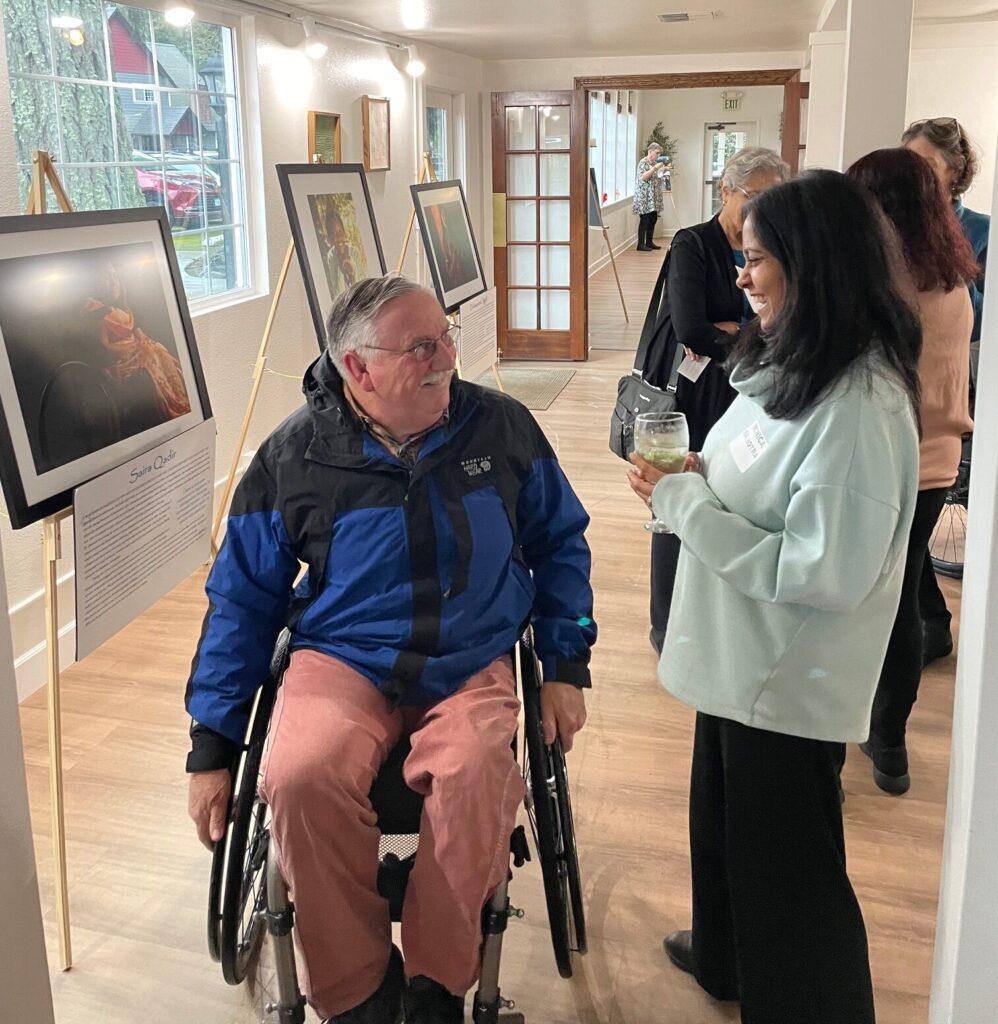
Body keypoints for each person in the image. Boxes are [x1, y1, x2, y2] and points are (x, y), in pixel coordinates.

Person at [185, 277, 596, 1024]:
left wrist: (566, 668)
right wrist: (212, 746)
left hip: (470, 656)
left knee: (477, 773)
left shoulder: (499, 428)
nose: (447, 356)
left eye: (445, 335)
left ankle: (437, 981)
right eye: (421, 346)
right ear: (357, 368)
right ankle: (359, 991)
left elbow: (560, 542)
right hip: (344, 659)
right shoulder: (293, 457)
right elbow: (241, 603)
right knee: (300, 773)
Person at [628, 170, 921, 1024]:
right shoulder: (799, 360)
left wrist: (686, 505)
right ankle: (724, 954)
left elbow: (822, 572)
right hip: (739, 660)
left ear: (814, 263)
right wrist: (700, 474)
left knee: (792, 882)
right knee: (723, 831)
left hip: (786, 683)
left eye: (756, 259)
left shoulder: (861, 404)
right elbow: (759, 473)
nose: (741, 276)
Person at [847, 148, 978, 795]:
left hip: (887, 462)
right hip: (937, 462)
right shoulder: (952, 278)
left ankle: (866, 728)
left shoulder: (887, 286)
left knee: (867, 600)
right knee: (900, 595)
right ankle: (890, 744)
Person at [638, 146, 789, 652]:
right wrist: (754, 334)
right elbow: (692, 329)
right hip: (700, 392)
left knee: (730, 494)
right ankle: (666, 624)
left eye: (774, 197)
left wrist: (737, 329)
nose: (762, 207)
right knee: (678, 493)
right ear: (725, 191)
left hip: (751, 392)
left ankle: (712, 614)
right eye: (756, 196)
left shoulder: (774, 244)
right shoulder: (694, 245)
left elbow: (777, 321)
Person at [902, 116, 990, 664]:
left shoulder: (980, 229)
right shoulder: (899, 231)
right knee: (906, 553)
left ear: (954, 172)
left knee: (907, 546)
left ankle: (929, 630)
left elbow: (978, 315)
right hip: (901, 398)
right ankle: (933, 625)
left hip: (953, 391)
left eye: (926, 166)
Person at [81, 261, 191, 425]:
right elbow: (104, 349)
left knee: (158, 351)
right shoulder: (98, 311)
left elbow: (140, 335)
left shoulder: (125, 310)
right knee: (150, 355)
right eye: (107, 277)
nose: (113, 283)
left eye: (115, 277)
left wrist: (148, 345)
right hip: (118, 362)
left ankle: (179, 404)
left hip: (136, 353)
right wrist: (134, 348)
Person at [633, 142, 665, 251]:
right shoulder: (643, 162)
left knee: (653, 218)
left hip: (652, 197)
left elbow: (656, 177)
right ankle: (641, 244)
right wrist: (655, 169)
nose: (658, 155)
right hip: (644, 197)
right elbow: (643, 177)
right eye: (657, 153)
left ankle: (649, 242)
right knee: (644, 220)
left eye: (659, 153)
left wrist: (662, 171)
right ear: (650, 152)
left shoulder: (654, 162)